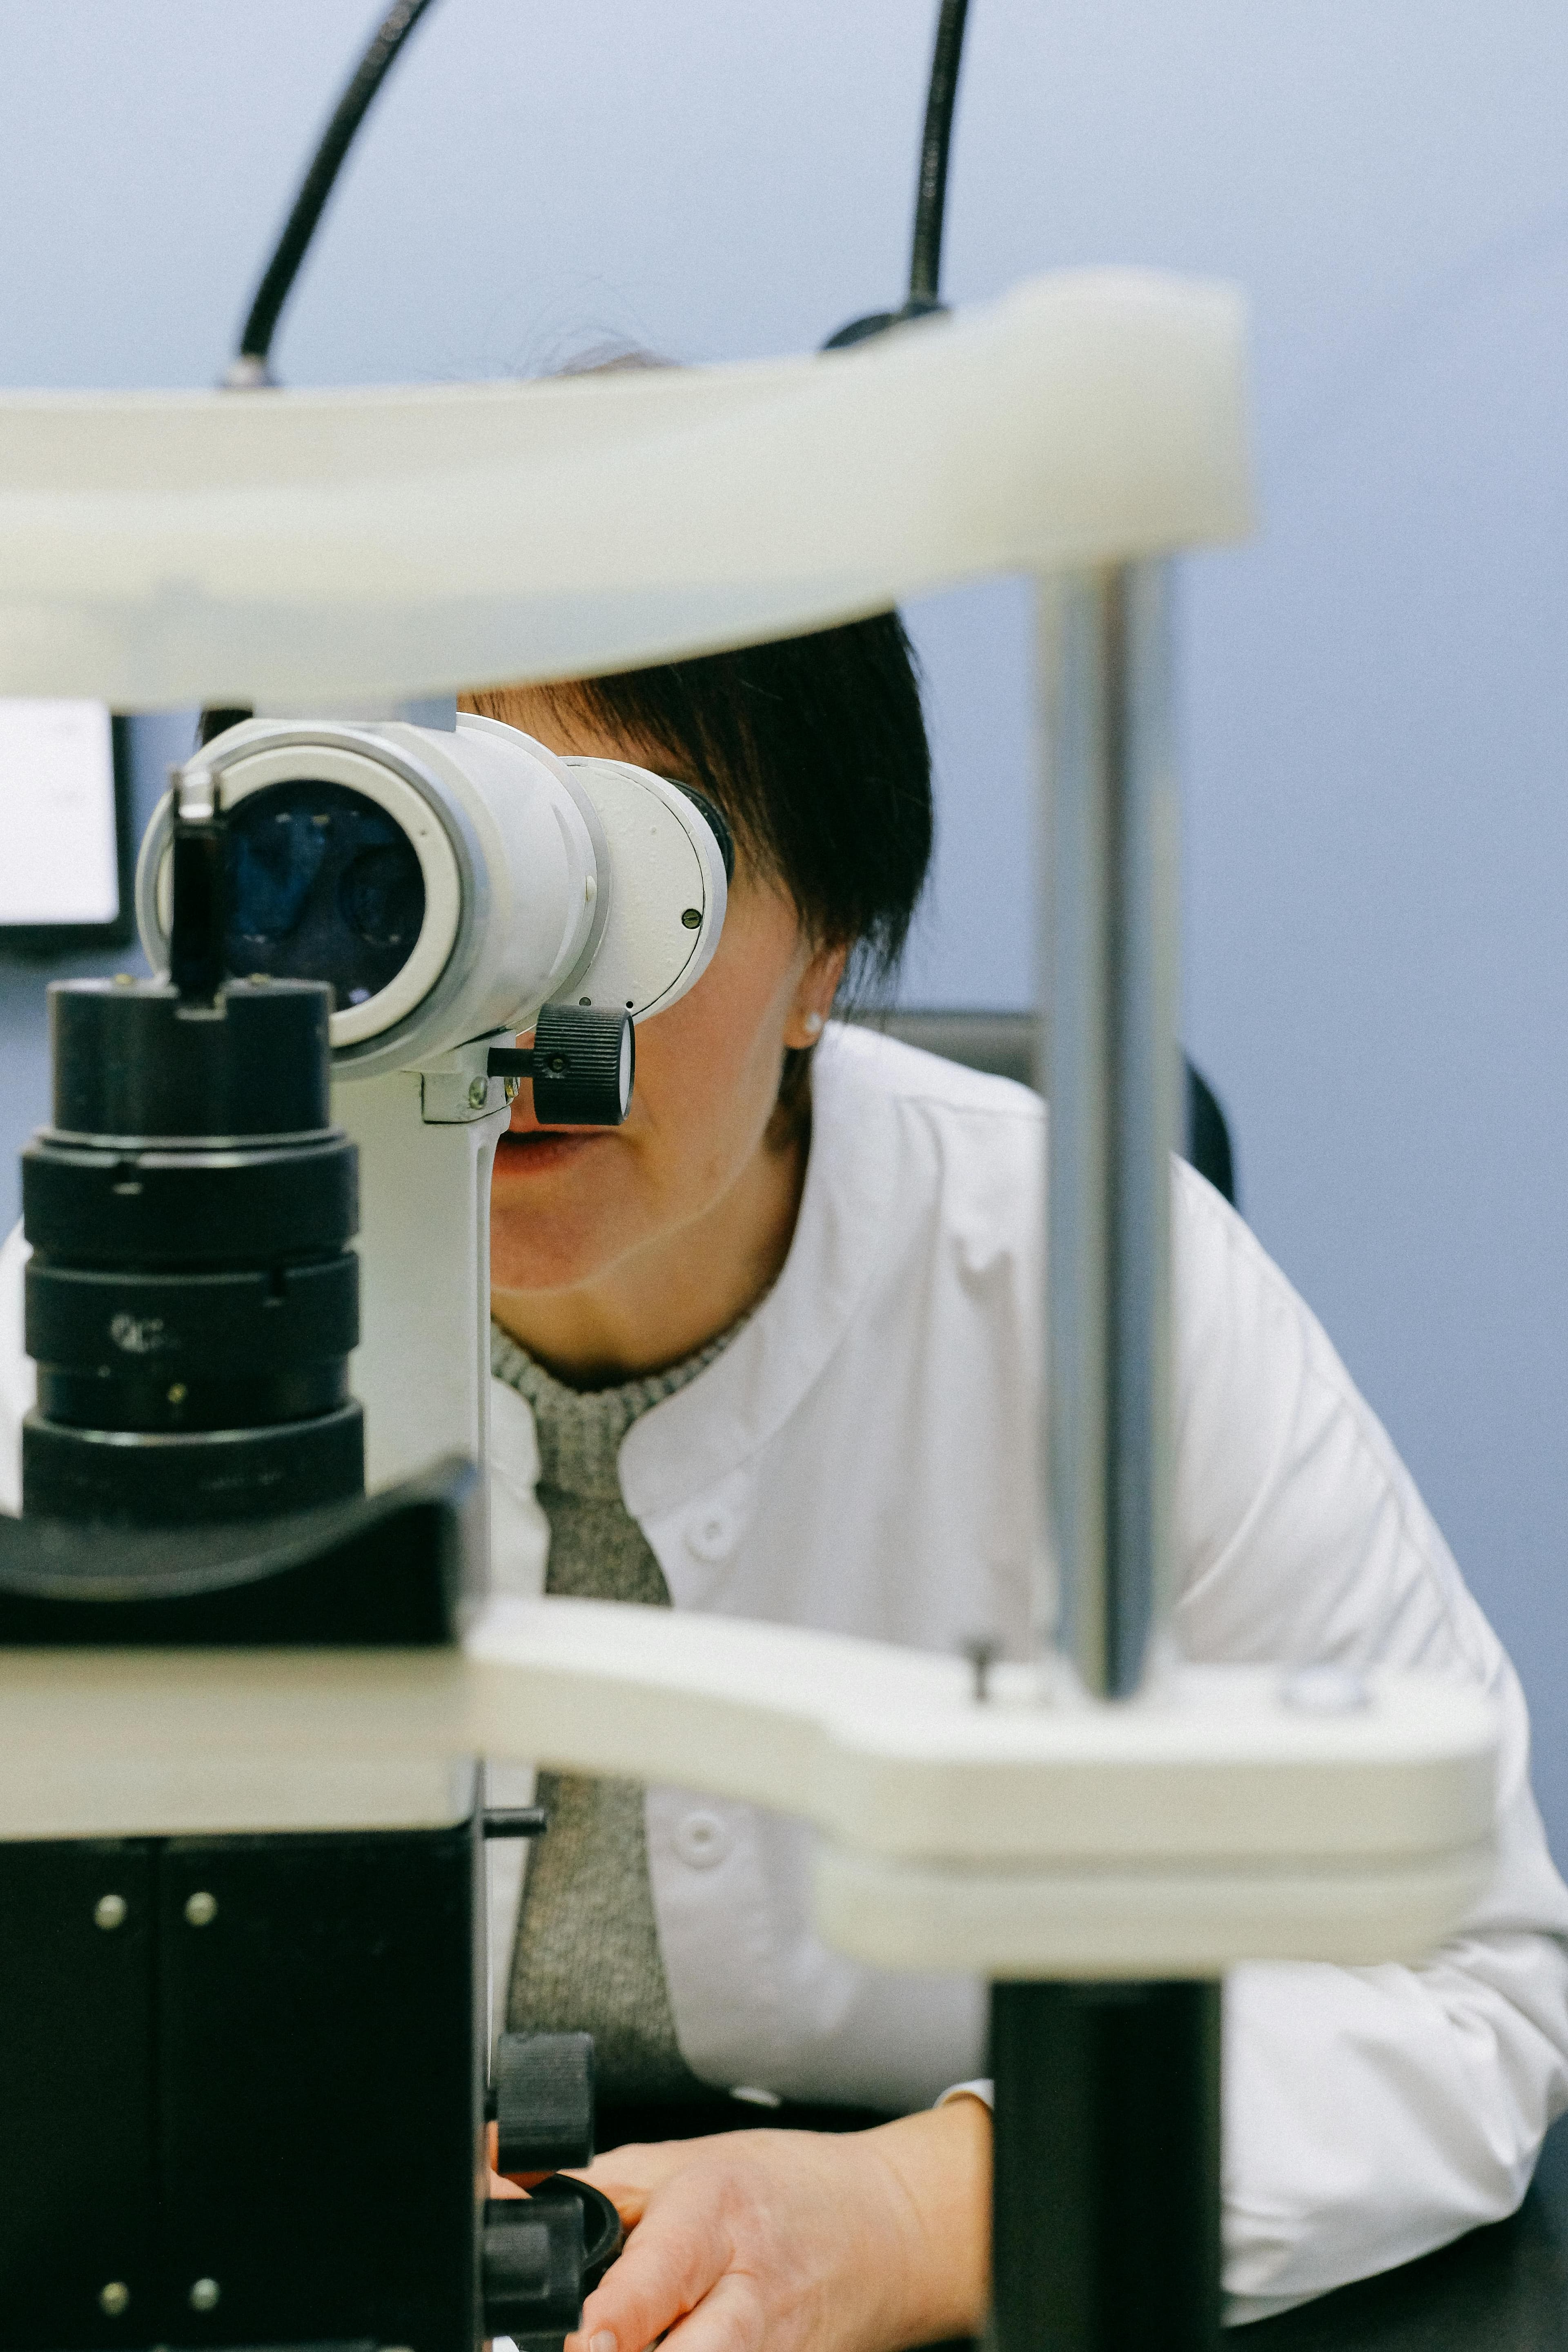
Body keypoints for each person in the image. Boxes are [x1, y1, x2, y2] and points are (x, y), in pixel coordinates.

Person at [0, 615, 1564, 2342]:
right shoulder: (128, 1311)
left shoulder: (1092, 1269)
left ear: (827, 956)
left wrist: (934, 2210)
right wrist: (201, 2133)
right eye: (421, 876)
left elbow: (1471, 1983)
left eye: (618, 875)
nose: (515, 999)